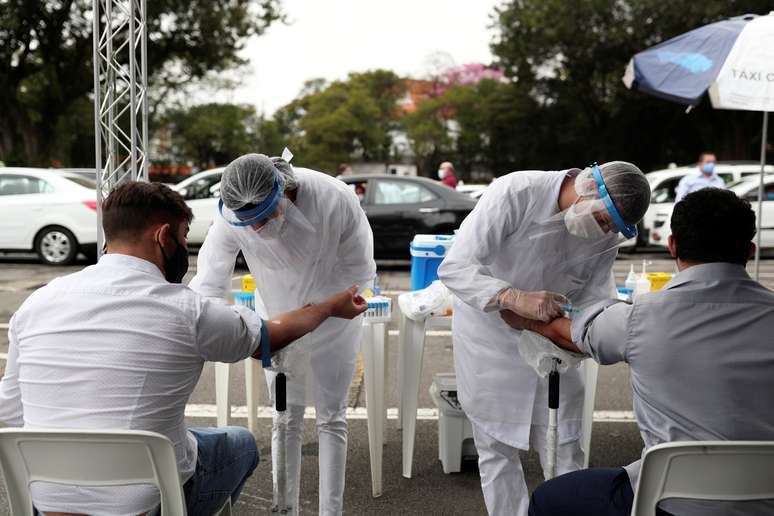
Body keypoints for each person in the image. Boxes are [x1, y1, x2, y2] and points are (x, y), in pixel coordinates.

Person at [0, 181, 367, 516]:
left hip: (46, 502)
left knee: (187, 438)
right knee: (239, 443)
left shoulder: (36, 304)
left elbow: (11, 413)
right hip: (146, 502)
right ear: (163, 236)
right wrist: (330, 307)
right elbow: (271, 335)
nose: (186, 249)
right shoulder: (187, 310)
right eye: (183, 236)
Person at [517, 188, 774, 516]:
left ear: (672, 246)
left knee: (549, 498)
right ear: (750, 251)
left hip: (670, 502)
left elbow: (568, 336)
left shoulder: (640, 316)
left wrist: (514, 308)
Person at [438, 162, 651, 516]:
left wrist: (593, 329)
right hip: (489, 336)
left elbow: (597, 295)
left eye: (612, 228)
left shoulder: (606, 240)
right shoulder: (515, 192)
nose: (603, 232)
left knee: (565, 442)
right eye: (602, 220)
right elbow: (456, 266)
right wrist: (511, 297)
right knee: (496, 449)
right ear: (588, 185)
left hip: (553, 342)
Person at [189, 152, 375, 516]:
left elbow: (360, 272)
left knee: (331, 417)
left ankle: (330, 511)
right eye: (248, 224)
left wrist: (326, 310)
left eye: (262, 220)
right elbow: (208, 284)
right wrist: (198, 329)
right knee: (284, 416)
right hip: (275, 319)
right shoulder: (230, 216)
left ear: (283, 192)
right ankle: (284, 507)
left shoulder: (333, 198)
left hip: (336, 315)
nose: (256, 230)